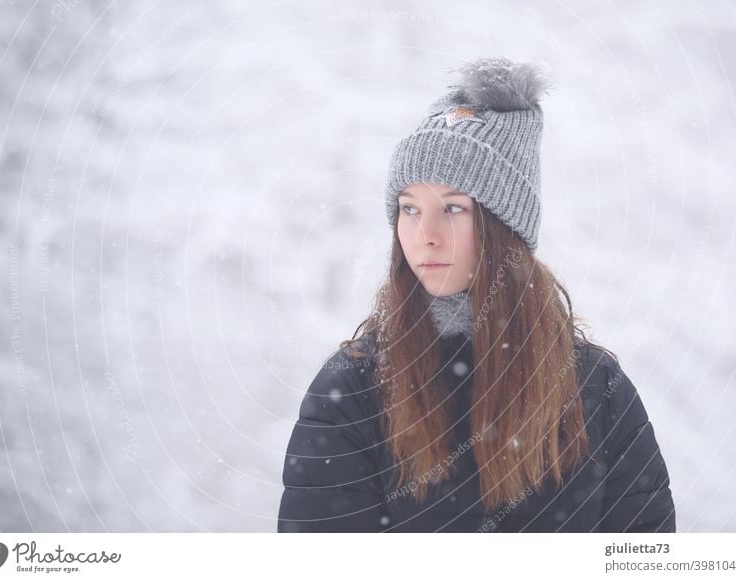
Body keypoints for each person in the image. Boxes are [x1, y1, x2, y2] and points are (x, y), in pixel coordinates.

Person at [277, 57, 676, 532]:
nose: (424, 234)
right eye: (408, 208)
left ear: (505, 227)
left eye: (452, 208)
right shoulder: (354, 388)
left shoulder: (595, 387)